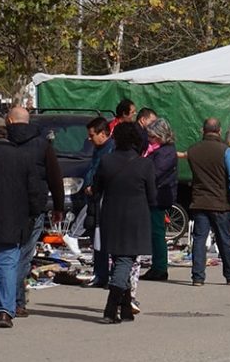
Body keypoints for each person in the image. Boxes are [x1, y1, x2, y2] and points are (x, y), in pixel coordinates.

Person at [91, 122, 155, 324]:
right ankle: (111, 308)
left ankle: (125, 308)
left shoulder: (106, 160)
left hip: (111, 216)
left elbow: (97, 188)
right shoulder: (144, 164)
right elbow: (152, 197)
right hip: (135, 218)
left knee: (120, 259)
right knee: (125, 260)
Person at [5, 107, 64, 318]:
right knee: (23, 255)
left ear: (10, 121)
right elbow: (55, 177)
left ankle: (8, 300)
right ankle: (15, 301)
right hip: (34, 206)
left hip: (6, 207)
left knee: (6, 255)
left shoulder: (3, 142)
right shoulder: (42, 145)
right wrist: (58, 207)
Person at [0, 115, 38, 328]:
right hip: (13, 221)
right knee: (6, 265)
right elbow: (34, 191)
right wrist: (33, 214)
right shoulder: (23, 157)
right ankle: (5, 311)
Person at [185, 118, 230, 286]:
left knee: (199, 239)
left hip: (199, 200)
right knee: (223, 238)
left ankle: (197, 276)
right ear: (219, 131)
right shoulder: (225, 150)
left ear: (203, 131)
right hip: (220, 201)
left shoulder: (193, 150)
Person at [138, 119, 177, 281]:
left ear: (161, 136)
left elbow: (154, 173)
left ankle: (160, 268)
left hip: (159, 196)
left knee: (157, 232)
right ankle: (157, 266)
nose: (149, 139)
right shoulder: (156, 150)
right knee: (155, 232)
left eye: (152, 136)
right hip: (155, 195)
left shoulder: (166, 152)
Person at [82, 117, 115, 289]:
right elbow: (92, 170)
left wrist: (94, 186)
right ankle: (100, 274)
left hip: (105, 200)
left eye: (92, 135)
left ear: (103, 134)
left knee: (106, 238)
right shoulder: (99, 149)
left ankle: (109, 276)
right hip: (95, 198)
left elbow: (103, 174)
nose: (89, 139)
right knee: (97, 238)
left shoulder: (111, 150)